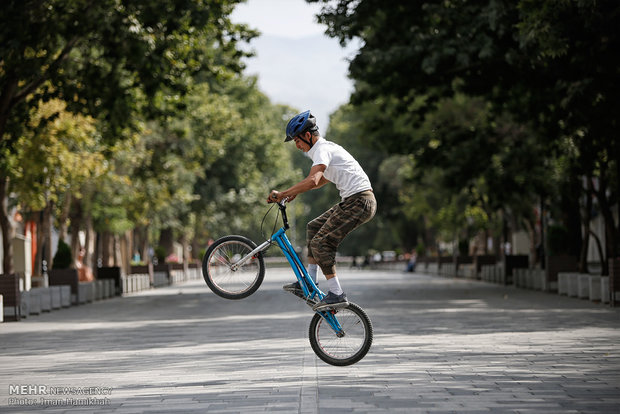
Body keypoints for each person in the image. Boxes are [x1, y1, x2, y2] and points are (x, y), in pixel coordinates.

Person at [267, 110, 377, 310]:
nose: (297, 146)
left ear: (307, 136)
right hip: (355, 200)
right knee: (314, 227)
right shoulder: (326, 150)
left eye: (297, 141)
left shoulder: (321, 149)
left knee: (321, 243)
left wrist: (283, 193)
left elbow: (313, 180)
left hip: (359, 201)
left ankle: (336, 293)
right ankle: (308, 283)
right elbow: (323, 179)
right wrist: (295, 192)